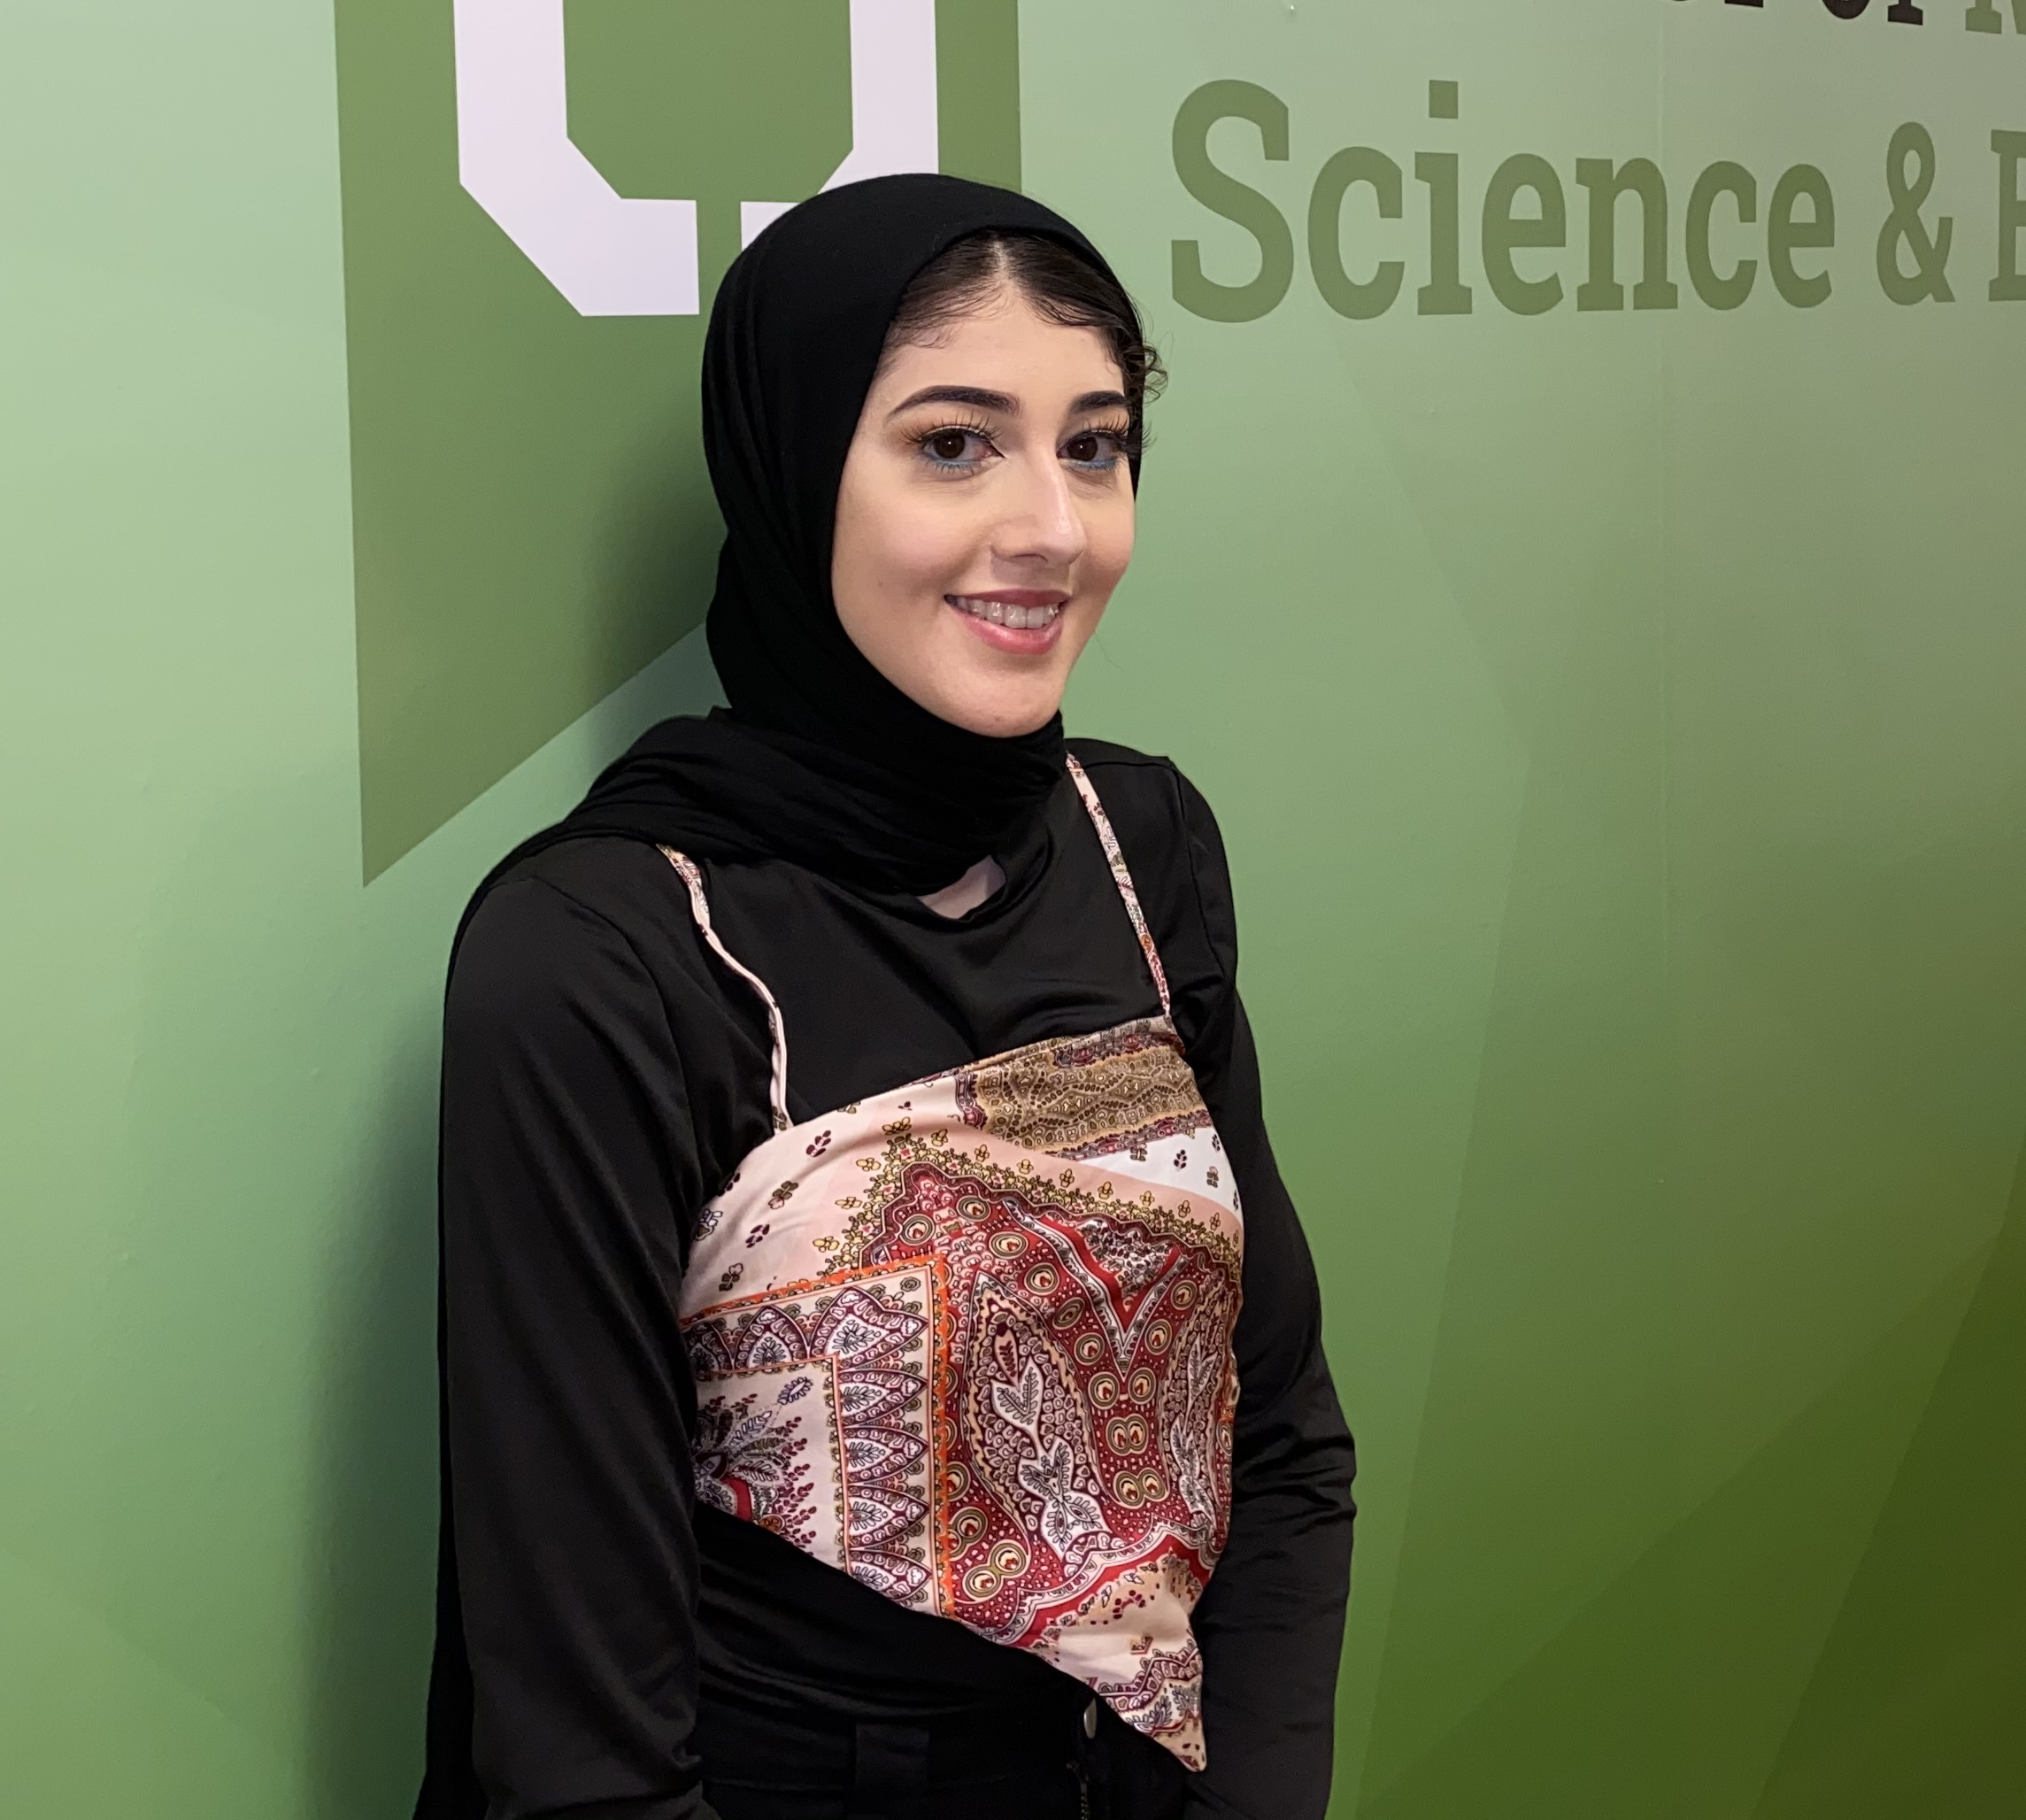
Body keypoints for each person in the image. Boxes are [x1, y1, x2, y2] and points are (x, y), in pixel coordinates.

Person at [415, 174, 1356, 1820]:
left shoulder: (1145, 847)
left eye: (1096, 442)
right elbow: (585, 1760)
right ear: (793, 475)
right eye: (951, 442)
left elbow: (1277, 1442)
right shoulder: (604, 952)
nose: (1053, 528)